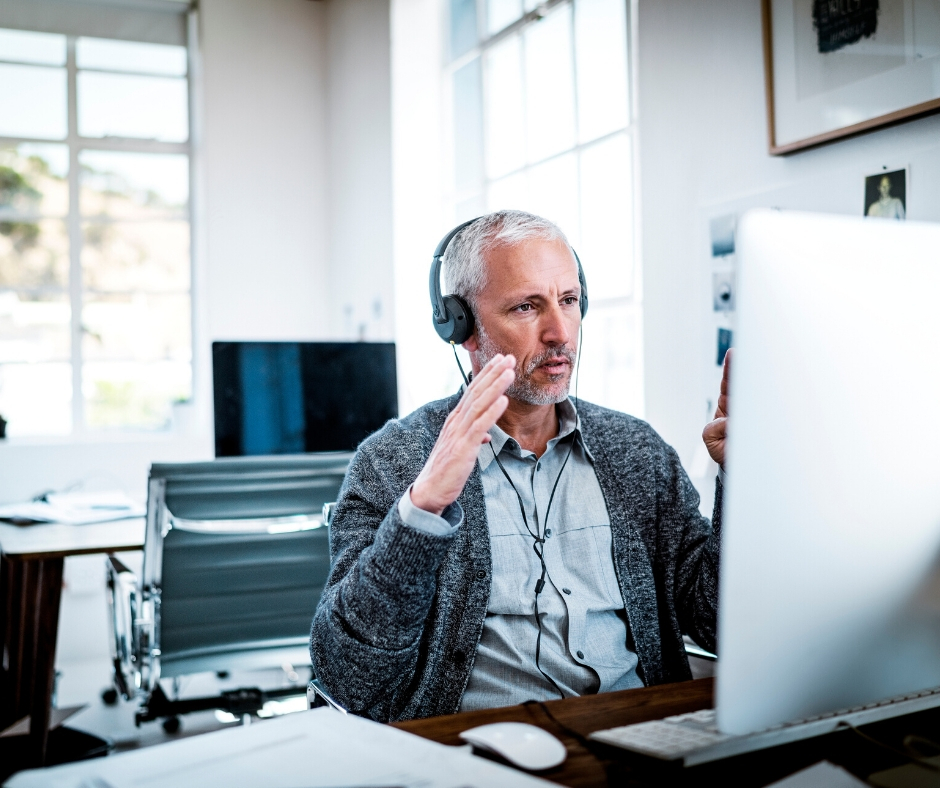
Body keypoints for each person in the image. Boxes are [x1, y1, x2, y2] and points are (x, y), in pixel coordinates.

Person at [310, 210, 729, 722]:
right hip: (476, 750)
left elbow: (718, 625)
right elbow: (348, 676)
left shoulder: (638, 452)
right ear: (462, 327)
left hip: (641, 735)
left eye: (569, 301)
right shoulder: (394, 461)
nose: (559, 332)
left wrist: (744, 480)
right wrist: (422, 511)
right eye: (527, 307)